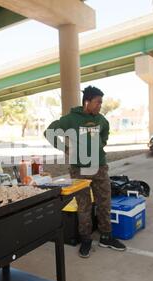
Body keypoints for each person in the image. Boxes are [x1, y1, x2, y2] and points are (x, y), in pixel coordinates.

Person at [45, 85, 126, 258]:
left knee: (105, 202)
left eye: (101, 103)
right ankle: (86, 239)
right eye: (97, 102)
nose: (100, 106)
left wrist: (100, 145)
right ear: (87, 102)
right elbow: (49, 132)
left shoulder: (101, 120)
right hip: (79, 169)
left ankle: (106, 236)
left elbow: (105, 133)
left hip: (99, 167)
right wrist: (65, 149)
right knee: (84, 205)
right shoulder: (70, 119)